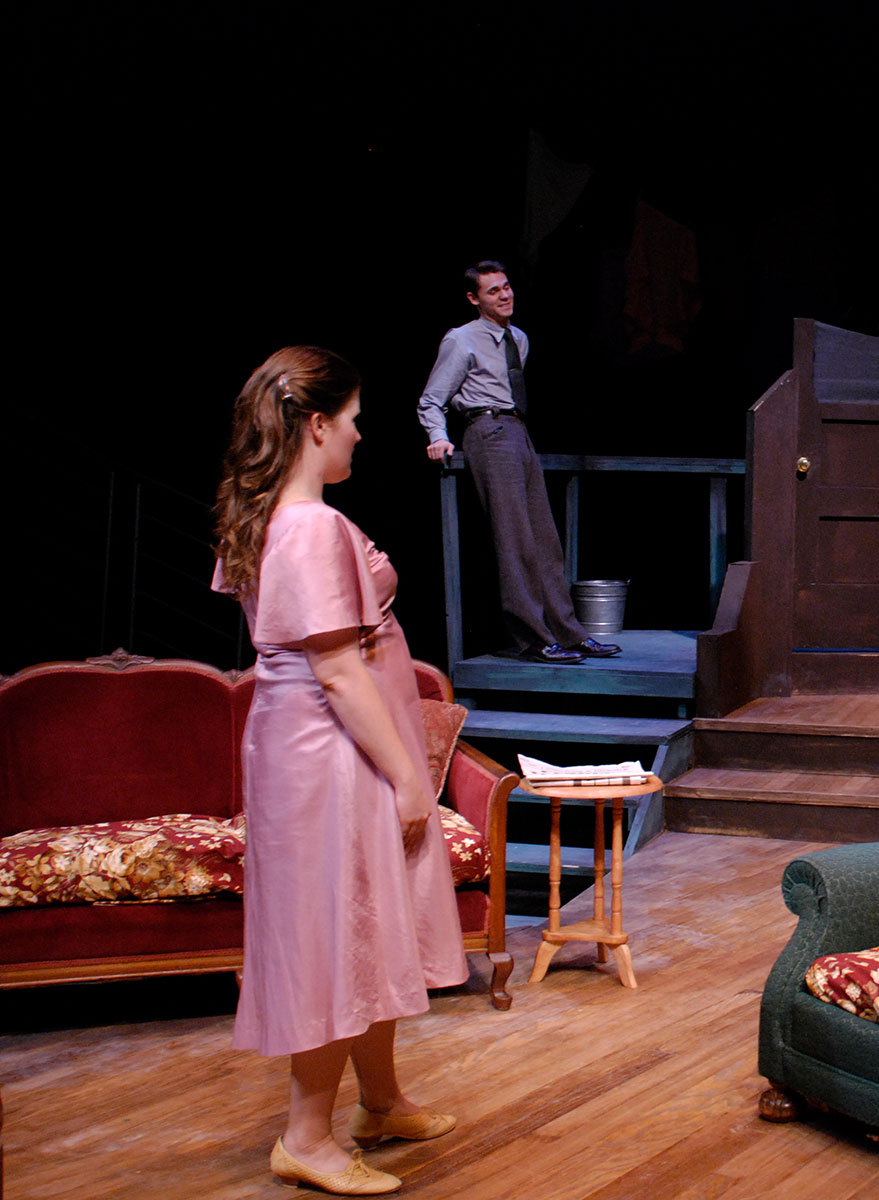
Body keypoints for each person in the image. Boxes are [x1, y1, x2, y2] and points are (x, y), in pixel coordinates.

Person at [214, 347, 464, 1195]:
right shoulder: (310, 524)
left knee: (366, 922)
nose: (360, 435)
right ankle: (307, 1138)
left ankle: (380, 1100)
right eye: (353, 420)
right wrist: (406, 777)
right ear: (316, 424)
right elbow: (338, 670)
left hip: (315, 746)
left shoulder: (277, 517)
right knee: (335, 935)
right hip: (331, 752)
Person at [416, 260, 620, 664]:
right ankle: (534, 638)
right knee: (515, 541)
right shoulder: (461, 340)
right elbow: (432, 398)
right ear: (475, 299)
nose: (505, 295)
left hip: (517, 431)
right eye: (494, 291)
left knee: (545, 540)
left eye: (507, 287)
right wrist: (439, 437)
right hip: (489, 434)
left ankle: (569, 632)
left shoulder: (519, 339)